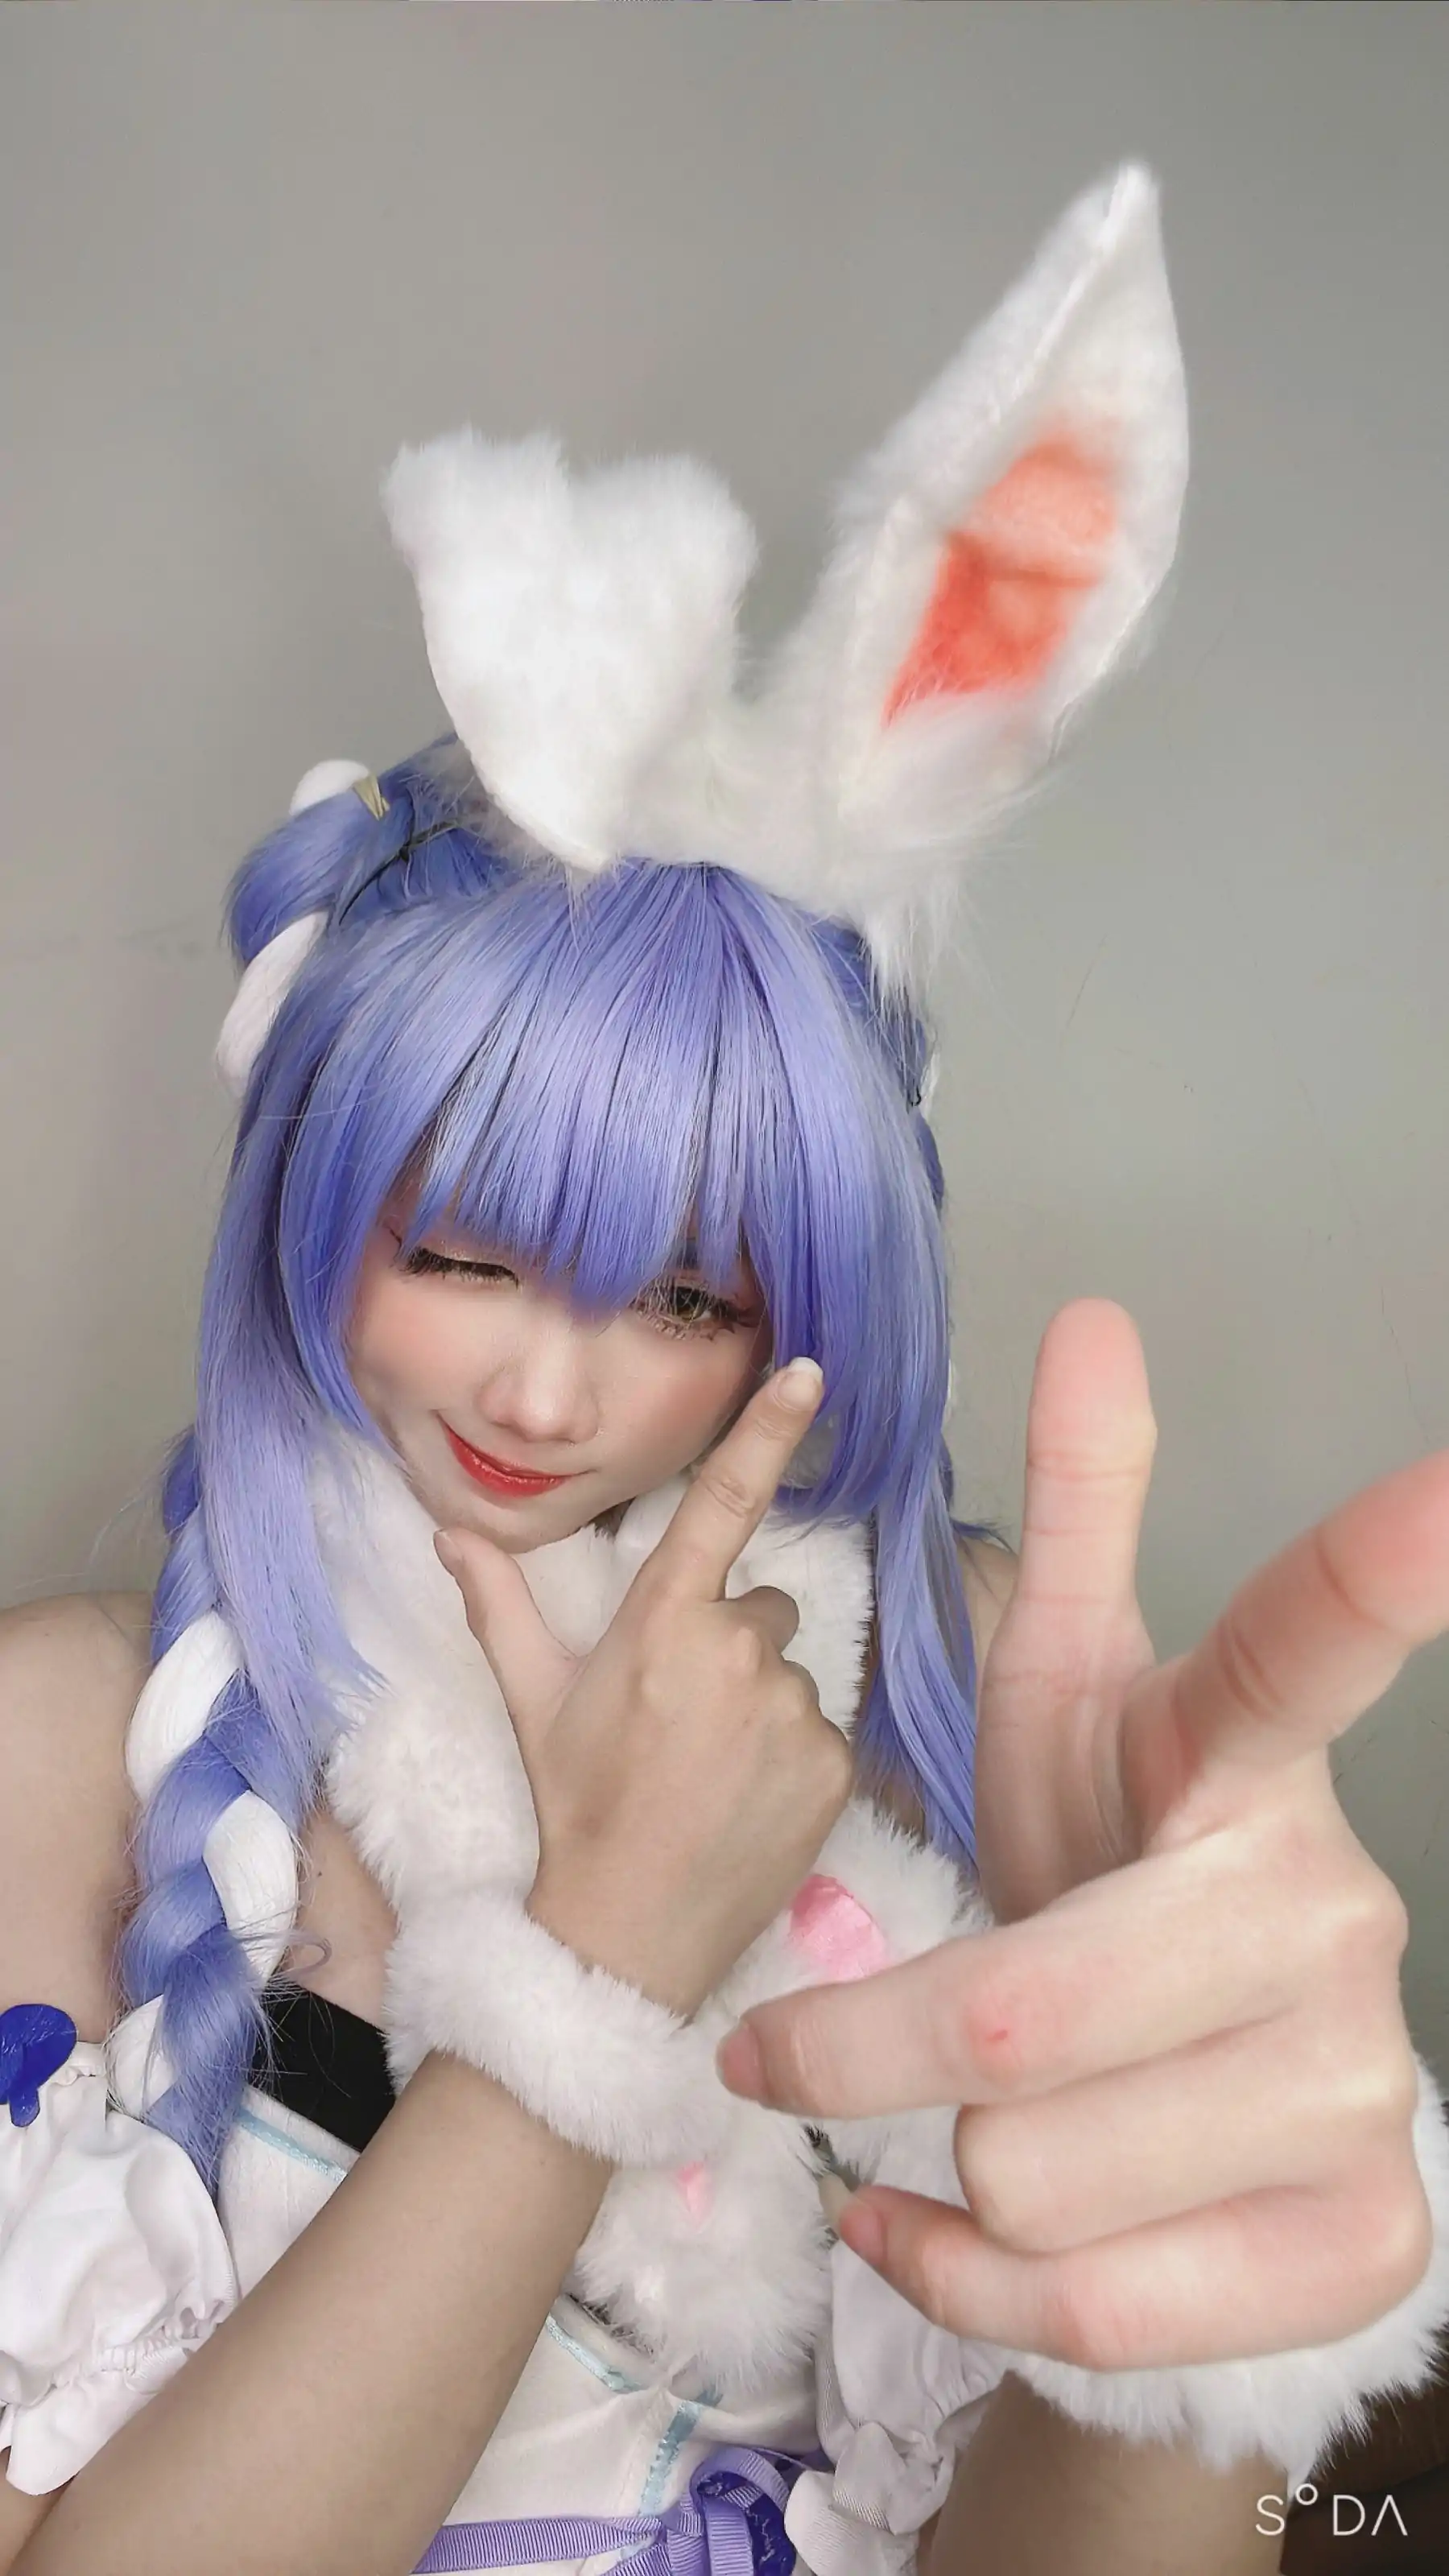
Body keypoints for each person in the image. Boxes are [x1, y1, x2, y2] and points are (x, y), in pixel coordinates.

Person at [1, 164, 1444, 2576]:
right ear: (308, 1201)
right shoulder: (68, 1743)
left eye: (681, 1299)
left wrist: (1185, 2309)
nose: (548, 1402)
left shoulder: (981, 1688)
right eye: (463, 1252)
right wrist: (597, 1968)